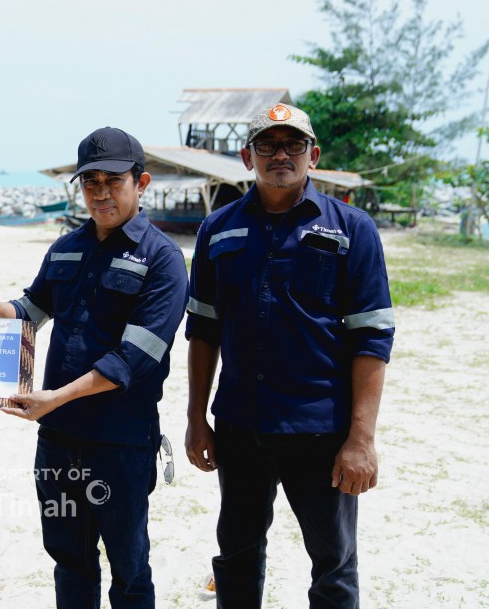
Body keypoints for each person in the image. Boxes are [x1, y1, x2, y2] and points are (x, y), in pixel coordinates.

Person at [0, 127, 189, 608]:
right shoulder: (67, 246)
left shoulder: (163, 260)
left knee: (129, 567)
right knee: (69, 560)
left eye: (113, 180)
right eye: (89, 180)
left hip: (121, 445)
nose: (100, 191)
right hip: (58, 442)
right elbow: (32, 309)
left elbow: (132, 359)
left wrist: (55, 398)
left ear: (142, 182)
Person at [183, 103, 395, 608]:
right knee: (235, 554)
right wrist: (195, 418)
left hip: (320, 432)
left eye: (293, 145)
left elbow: (372, 338)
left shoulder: (353, 230)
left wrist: (361, 439)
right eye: (268, 145)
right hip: (239, 426)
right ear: (247, 155)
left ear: (313, 155)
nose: (281, 155)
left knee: (333, 564)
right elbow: (203, 330)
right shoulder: (218, 230)